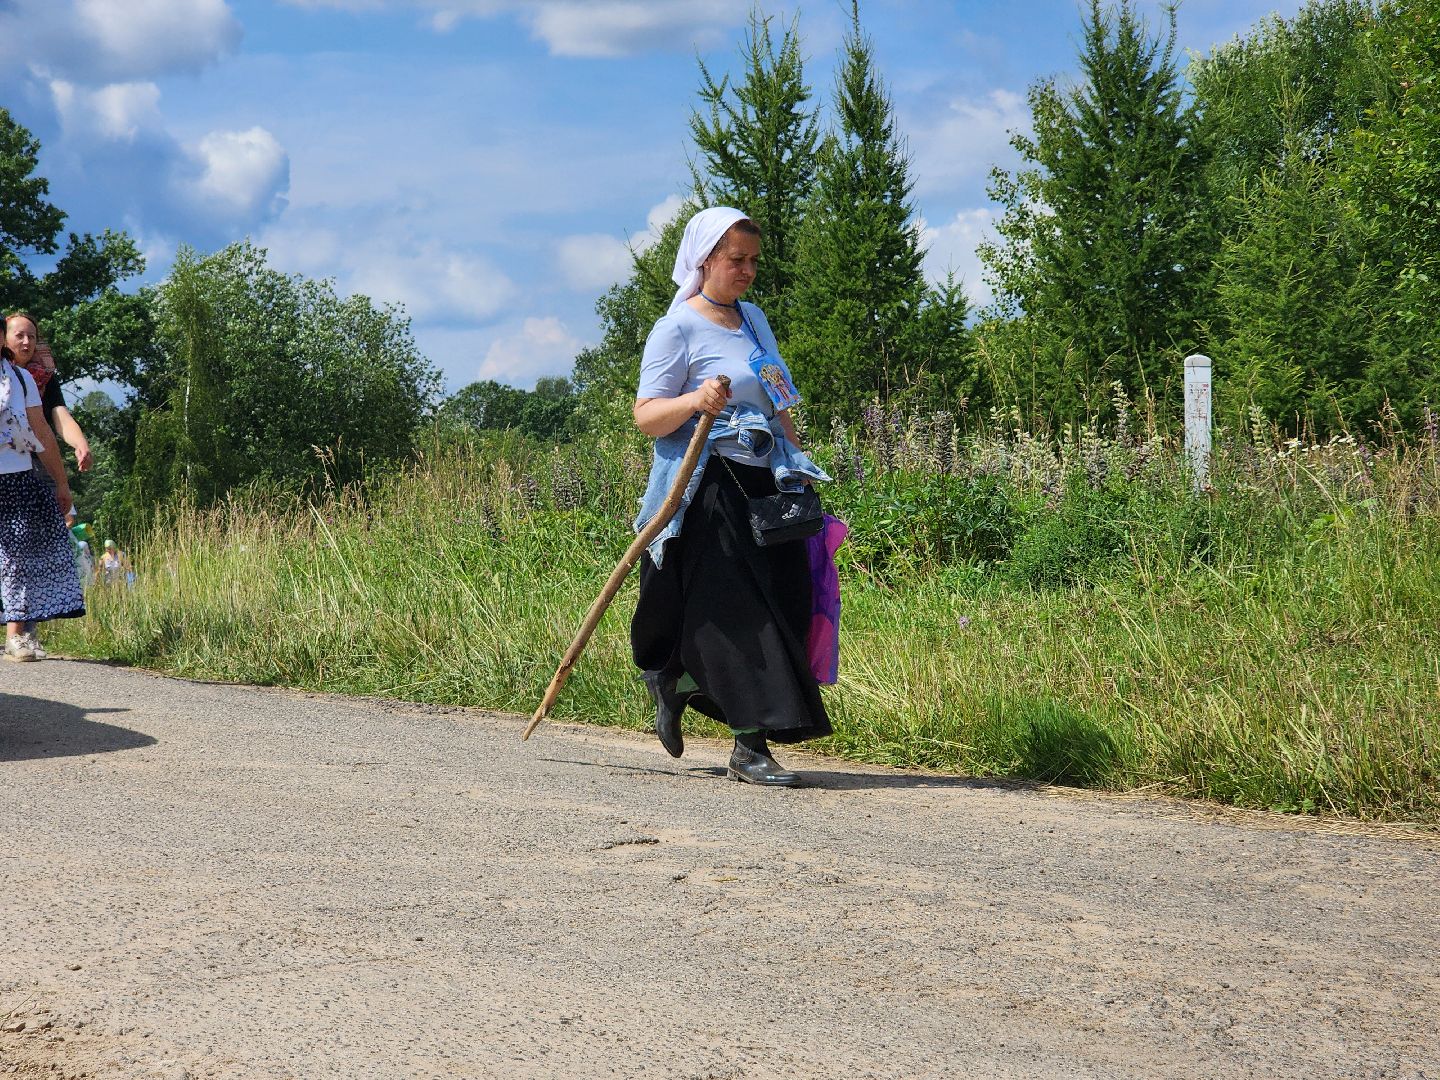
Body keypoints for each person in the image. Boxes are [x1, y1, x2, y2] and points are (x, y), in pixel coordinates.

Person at [629, 206, 831, 787]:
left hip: (766, 482)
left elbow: (777, 396)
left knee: (788, 602)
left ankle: (678, 681)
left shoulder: (754, 319)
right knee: (743, 616)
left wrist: (797, 465)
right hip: (710, 486)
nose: (746, 270)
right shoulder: (677, 328)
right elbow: (646, 416)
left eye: (752, 261)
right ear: (705, 260)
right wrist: (695, 402)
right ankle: (750, 747)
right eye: (735, 260)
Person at [0, 316, 83, 661]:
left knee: (20, 556)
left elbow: (45, 430)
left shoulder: (23, 379)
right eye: (20, 334)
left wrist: (62, 482)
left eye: (31, 336)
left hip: (18, 478)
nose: (26, 341)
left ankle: (17, 634)